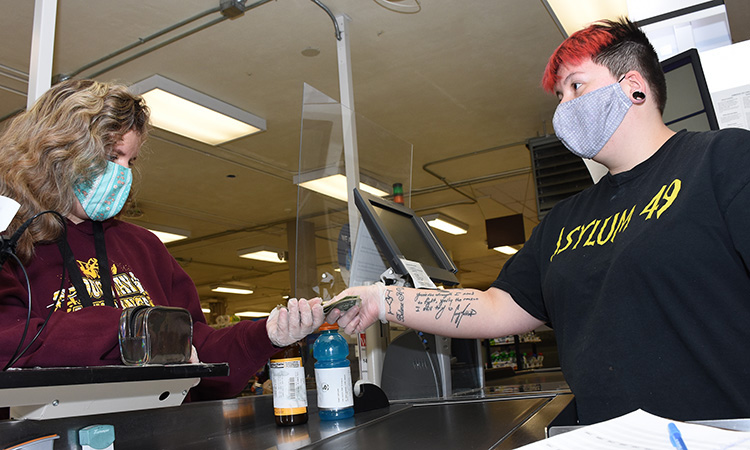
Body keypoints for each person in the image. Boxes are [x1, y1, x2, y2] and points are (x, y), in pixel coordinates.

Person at [327, 18, 750, 424]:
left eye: (576, 86)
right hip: (604, 437)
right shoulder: (565, 220)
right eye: (560, 96)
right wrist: (381, 300)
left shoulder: (724, 161)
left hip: (718, 434)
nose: (564, 108)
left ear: (634, 89)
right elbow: (494, 307)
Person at [0, 79, 325, 401]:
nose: (122, 174)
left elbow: (201, 352)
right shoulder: (11, 238)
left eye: (131, 161)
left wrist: (268, 334)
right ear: (60, 152)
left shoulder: (144, 247)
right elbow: (10, 342)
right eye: (112, 157)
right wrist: (133, 330)